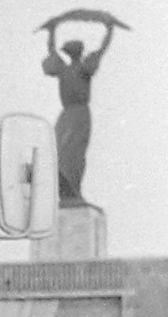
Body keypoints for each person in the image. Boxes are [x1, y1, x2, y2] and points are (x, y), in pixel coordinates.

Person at [41, 19, 114, 204]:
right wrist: (51, 31)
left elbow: (102, 50)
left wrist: (109, 30)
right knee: (60, 149)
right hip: (68, 114)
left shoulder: (84, 68)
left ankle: (74, 190)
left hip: (80, 114)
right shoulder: (63, 69)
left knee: (75, 153)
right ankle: (66, 189)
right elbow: (51, 51)